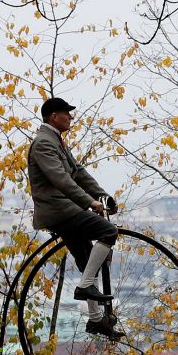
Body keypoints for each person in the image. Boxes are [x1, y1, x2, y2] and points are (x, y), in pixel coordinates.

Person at [28, 97, 123, 339]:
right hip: (60, 210)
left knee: (88, 261)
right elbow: (61, 179)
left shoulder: (56, 142)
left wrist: (102, 197)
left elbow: (78, 173)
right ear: (53, 116)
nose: (71, 117)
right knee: (108, 232)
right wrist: (89, 202)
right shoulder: (43, 144)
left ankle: (95, 319)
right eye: (66, 113)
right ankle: (84, 287)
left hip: (66, 208)